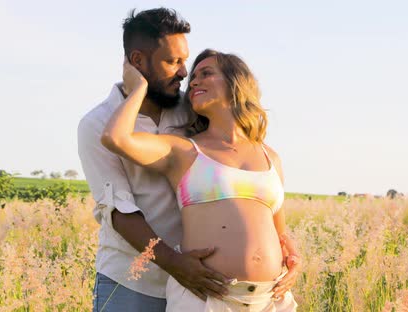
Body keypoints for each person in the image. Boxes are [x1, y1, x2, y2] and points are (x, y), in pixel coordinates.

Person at [101, 49, 300, 311]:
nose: (193, 81)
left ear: (235, 82)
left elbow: (279, 231)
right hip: (207, 300)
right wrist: (138, 86)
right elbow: (116, 138)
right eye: (193, 77)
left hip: (271, 300)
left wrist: (293, 257)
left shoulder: (270, 156)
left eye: (206, 73)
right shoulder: (184, 151)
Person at [78, 8, 231, 311]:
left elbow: (236, 162)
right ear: (137, 62)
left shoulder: (191, 112)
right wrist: (176, 265)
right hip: (130, 282)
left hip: (197, 281)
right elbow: (119, 213)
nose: (184, 72)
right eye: (173, 61)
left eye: (185, 61)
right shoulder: (97, 124)